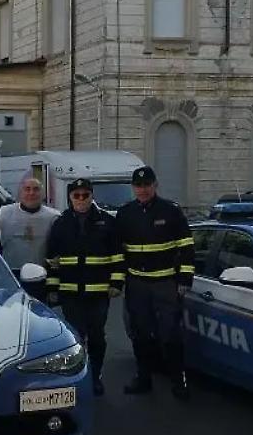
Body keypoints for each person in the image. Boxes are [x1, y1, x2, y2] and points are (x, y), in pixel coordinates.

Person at [115, 166, 195, 399]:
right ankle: (143, 378)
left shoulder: (170, 211)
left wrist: (184, 280)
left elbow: (187, 247)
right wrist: (119, 281)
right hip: (137, 285)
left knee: (170, 335)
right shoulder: (125, 214)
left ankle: (178, 381)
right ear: (133, 188)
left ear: (155, 185)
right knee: (140, 335)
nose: (142, 190)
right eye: (138, 186)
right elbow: (118, 252)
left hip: (165, 284)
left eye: (147, 185)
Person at [44, 178, 124, 396]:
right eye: (76, 195)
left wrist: (117, 283)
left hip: (99, 293)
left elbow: (118, 256)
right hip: (71, 292)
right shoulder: (60, 223)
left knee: (97, 337)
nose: (81, 199)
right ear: (70, 198)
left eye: (85, 195)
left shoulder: (107, 222)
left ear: (91, 196)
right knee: (75, 338)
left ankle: (96, 376)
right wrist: (52, 287)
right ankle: (78, 378)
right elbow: (52, 259)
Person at [0, 176, 60, 299]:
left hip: (40, 277)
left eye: (36, 189)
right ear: (20, 192)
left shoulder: (53, 217)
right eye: (27, 189)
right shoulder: (4, 214)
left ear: (43, 194)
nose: (31, 193)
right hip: (11, 275)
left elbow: (55, 252)